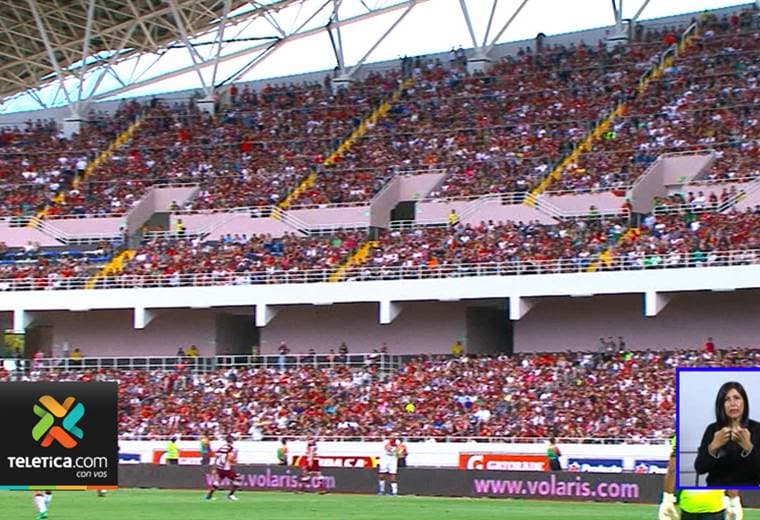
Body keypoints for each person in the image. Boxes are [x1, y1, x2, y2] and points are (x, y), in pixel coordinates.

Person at [659, 435, 743, 520]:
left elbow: (672, 470)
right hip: (714, 504)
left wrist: (667, 498)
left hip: (689, 505)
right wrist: (734, 501)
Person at [694, 381, 760, 487]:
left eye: (737, 398)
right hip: (716, 490)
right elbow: (700, 468)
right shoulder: (712, 429)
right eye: (727, 399)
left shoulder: (757, 429)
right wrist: (713, 447)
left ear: (744, 402)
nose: (732, 403)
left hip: (748, 491)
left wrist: (748, 447)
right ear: (721, 405)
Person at [205, 435, 242, 501]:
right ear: (232, 441)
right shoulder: (231, 448)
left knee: (218, 481)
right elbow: (230, 458)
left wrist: (214, 467)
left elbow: (216, 457)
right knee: (238, 479)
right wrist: (234, 460)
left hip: (219, 467)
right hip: (226, 468)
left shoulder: (221, 447)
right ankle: (231, 495)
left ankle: (209, 496)